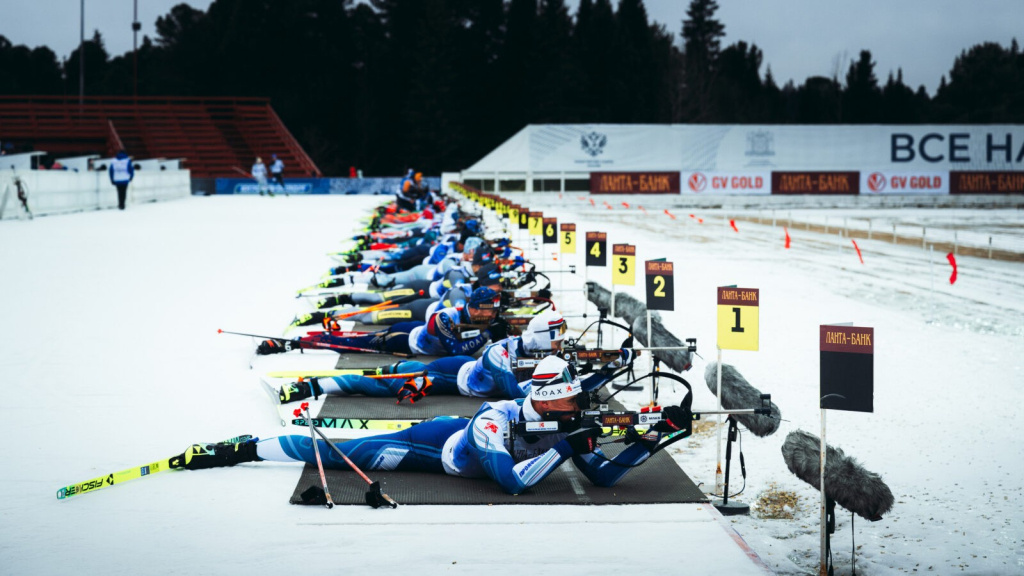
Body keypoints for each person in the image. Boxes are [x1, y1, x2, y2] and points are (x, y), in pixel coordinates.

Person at [181, 356, 692, 495]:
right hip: (435, 447)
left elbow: (602, 476)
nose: (582, 403)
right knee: (339, 454)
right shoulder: (497, 418)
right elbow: (511, 484)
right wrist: (565, 449)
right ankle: (245, 447)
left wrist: (653, 438)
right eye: (574, 396)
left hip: (468, 436)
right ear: (550, 399)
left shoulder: (565, 422)